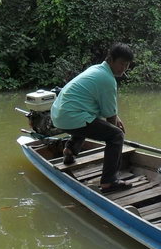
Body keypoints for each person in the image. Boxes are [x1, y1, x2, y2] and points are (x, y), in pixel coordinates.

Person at [51, 43, 134, 193]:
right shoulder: (107, 79)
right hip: (71, 116)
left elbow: (104, 107)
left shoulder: (97, 70)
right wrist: (115, 134)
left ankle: (70, 150)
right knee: (116, 135)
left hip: (59, 115)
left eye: (127, 65)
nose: (124, 68)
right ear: (110, 59)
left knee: (90, 118)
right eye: (121, 63)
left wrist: (115, 117)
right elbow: (110, 119)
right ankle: (109, 181)